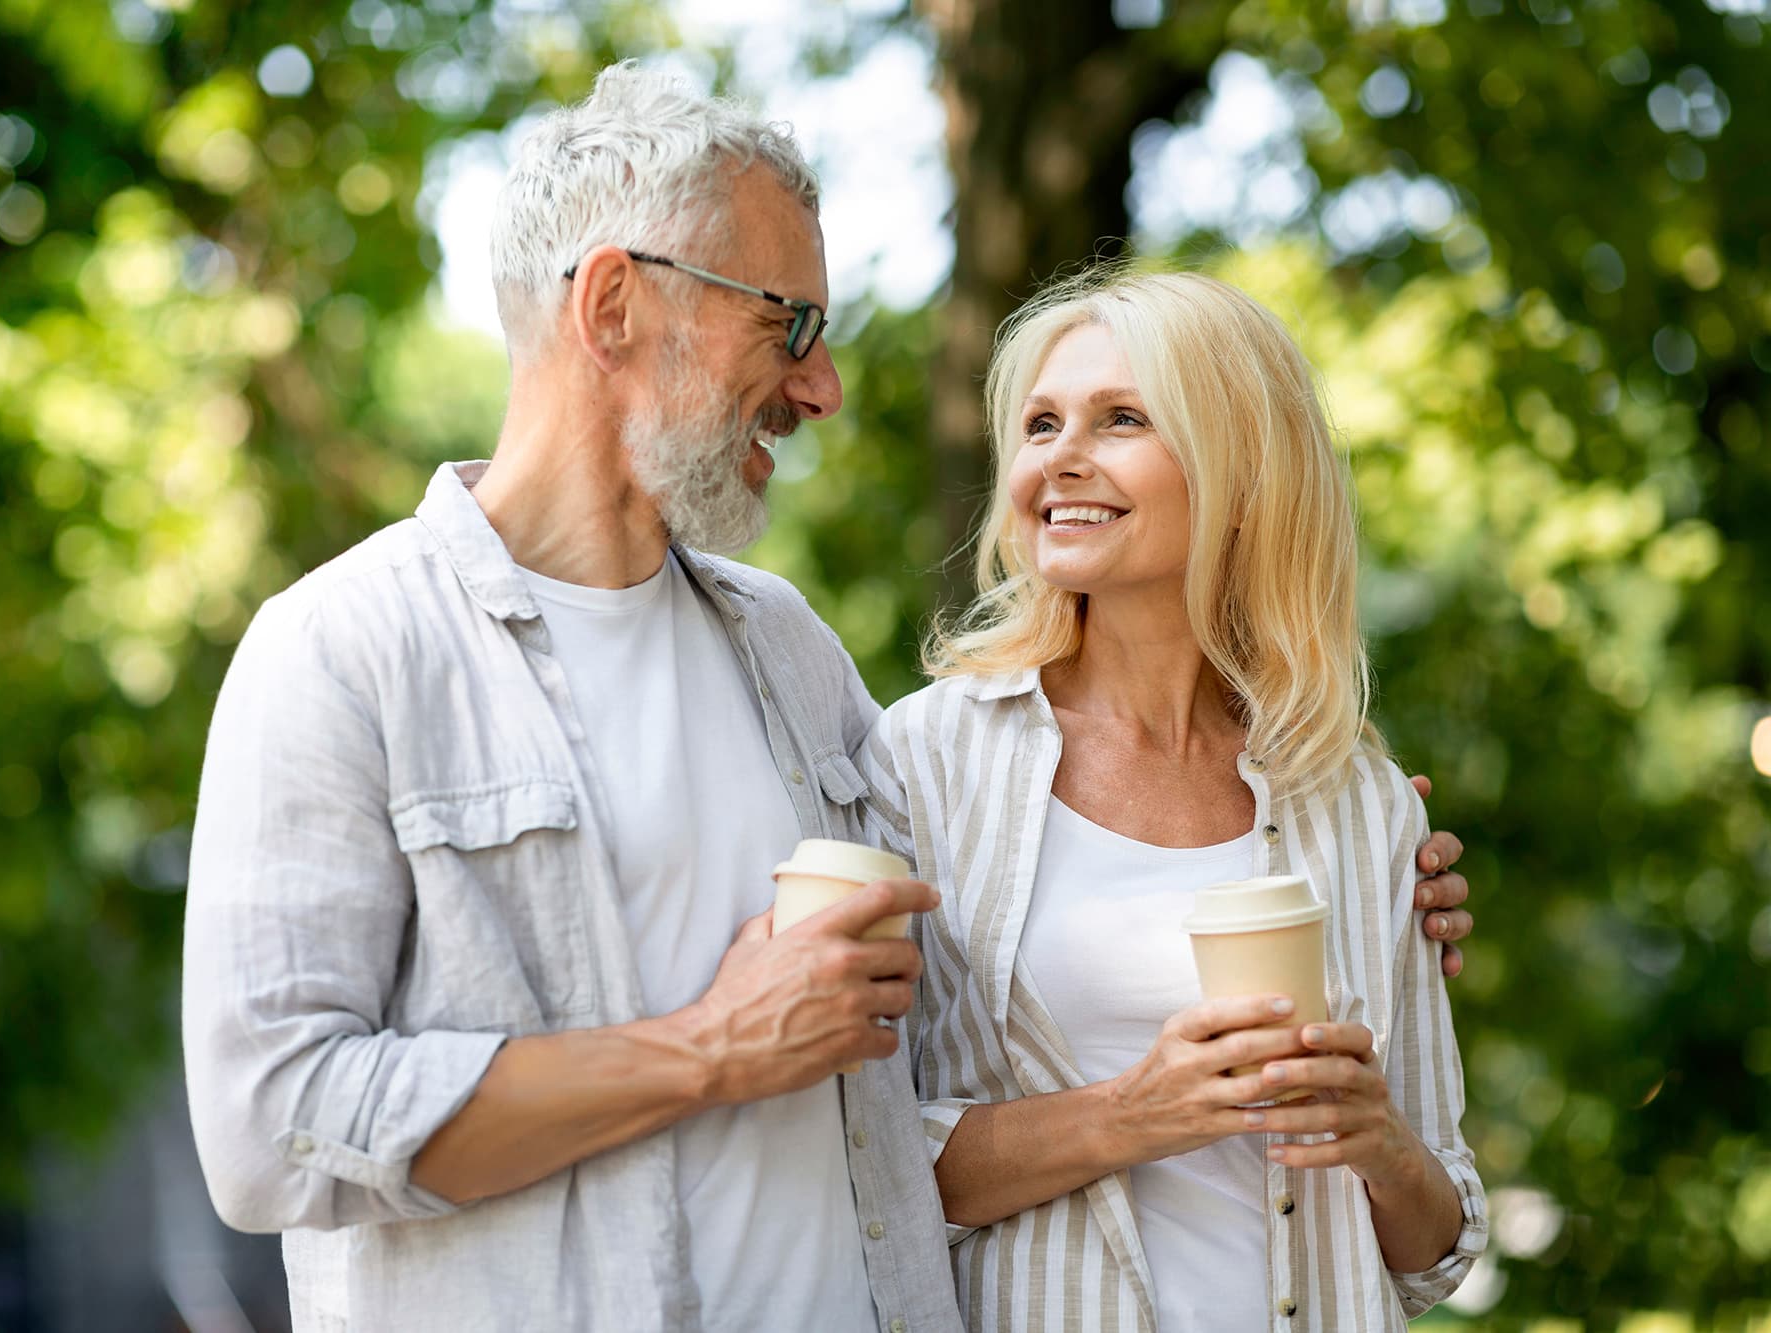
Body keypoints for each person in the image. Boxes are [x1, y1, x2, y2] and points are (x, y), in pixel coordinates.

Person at [180, 63, 1475, 1333]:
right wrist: (706, 1048)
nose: (822, 386)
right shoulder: (344, 652)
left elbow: (982, 967)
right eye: (786, 323)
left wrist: (1374, 870)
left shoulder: (787, 652)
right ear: (617, 305)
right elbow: (268, 1130)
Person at [856, 268, 1487, 1331]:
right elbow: (856, 1173)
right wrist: (1133, 1114)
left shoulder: (1361, 803)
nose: (1058, 457)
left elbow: (1435, 1252)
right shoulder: (926, 758)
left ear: (1242, 470)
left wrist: (1378, 1140)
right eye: (1041, 422)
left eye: (1121, 420)